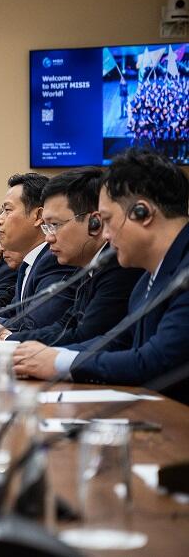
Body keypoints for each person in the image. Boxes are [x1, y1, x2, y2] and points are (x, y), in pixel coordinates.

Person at [13, 149, 189, 403]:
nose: (104, 235)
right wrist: (44, 358)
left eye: (107, 219)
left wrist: (61, 362)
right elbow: (118, 342)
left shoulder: (182, 271)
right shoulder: (146, 281)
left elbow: (157, 361)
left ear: (142, 212)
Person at [0, 167, 141, 345]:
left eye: (55, 225)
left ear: (95, 222)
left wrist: (8, 339)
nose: (49, 238)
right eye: (46, 227)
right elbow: (65, 325)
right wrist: (9, 338)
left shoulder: (117, 267)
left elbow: (84, 336)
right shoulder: (88, 268)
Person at [0, 173, 78, 330]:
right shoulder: (28, 263)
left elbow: (36, 324)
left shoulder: (53, 260)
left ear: (38, 216)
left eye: (8, 210)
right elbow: (13, 313)